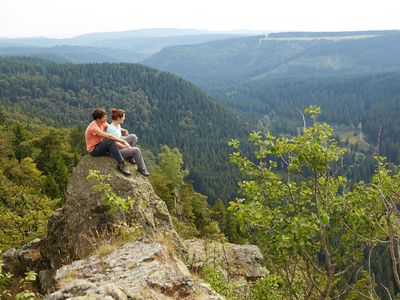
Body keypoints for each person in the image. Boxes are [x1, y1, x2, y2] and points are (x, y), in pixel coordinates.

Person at [85, 108, 131, 175]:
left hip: (100, 144)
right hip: (94, 150)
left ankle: (126, 155)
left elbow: (111, 126)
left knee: (111, 141)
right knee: (110, 142)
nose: (106, 117)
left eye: (105, 115)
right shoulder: (93, 128)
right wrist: (123, 141)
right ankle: (121, 164)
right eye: (103, 117)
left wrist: (124, 130)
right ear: (98, 119)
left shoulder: (102, 123)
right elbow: (109, 136)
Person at [106, 108, 150, 176]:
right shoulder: (111, 129)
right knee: (136, 150)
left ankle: (130, 157)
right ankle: (142, 169)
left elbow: (119, 138)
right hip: (116, 152)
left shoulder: (117, 125)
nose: (124, 118)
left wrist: (126, 134)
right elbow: (115, 143)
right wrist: (127, 147)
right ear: (118, 118)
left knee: (133, 136)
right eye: (123, 117)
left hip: (120, 147)